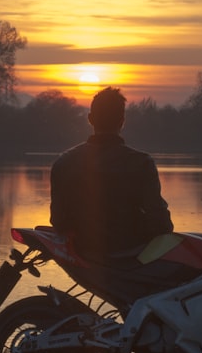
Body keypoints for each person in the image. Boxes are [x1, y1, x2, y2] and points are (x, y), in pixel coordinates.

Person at [50, 86, 174, 261]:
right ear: (122, 121)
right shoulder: (142, 163)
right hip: (132, 254)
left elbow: (58, 221)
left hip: (83, 251)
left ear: (90, 119)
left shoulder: (64, 162)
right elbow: (161, 224)